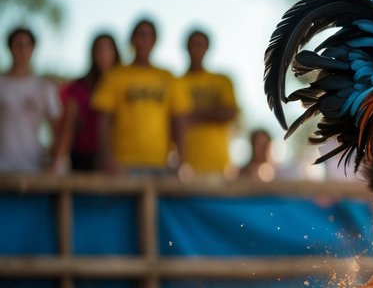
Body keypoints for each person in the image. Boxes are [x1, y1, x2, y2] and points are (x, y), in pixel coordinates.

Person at [91, 17, 177, 174]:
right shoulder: (115, 76)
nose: (144, 40)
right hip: (123, 163)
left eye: (149, 35)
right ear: (132, 39)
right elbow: (104, 120)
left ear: (155, 40)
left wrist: (180, 159)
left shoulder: (167, 77)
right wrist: (107, 158)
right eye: (140, 34)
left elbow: (177, 119)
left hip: (160, 163)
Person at [171, 30, 238, 178]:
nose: (196, 49)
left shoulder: (222, 80)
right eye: (193, 44)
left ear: (207, 48)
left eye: (200, 44)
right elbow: (176, 120)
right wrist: (214, 113)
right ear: (186, 47)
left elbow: (230, 113)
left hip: (221, 164)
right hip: (186, 167)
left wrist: (192, 116)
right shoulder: (177, 83)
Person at [51, 33, 120, 173]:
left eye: (109, 48)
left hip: (118, 158)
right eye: (100, 49)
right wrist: (57, 162)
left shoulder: (125, 85)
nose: (104, 54)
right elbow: (68, 127)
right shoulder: (79, 88)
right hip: (84, 155)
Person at [0, 27, 61, 173]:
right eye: (18, 45)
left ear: (33, 49)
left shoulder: (44, 87)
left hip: (34, 166)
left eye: (27, 45)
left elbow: (57, 128)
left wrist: (55, 161)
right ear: (10, 48)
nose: (23, 50)